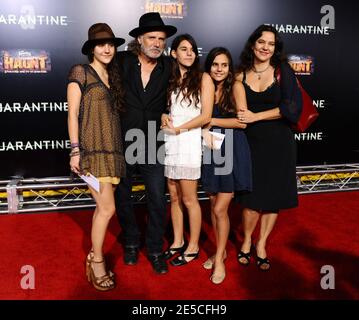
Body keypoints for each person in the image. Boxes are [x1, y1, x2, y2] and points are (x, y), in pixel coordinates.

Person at [114, 12, 177, 274]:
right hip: (124, 139)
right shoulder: (121, 61)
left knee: (157, 199)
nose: (157, 43)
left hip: (154, 142)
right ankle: (130, 242)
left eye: (161, 39)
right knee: (122, 196)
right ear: (139, 39)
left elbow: (188, 93)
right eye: (151, 37)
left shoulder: (170, 67)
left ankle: (153, 248)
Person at [235, 25, 301, 271]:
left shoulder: (283, 71)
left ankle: (261, 244)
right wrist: (249, 117)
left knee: (273, 200)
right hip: (251, 144)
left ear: (276, 48)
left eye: (271, 44)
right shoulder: (240, 75)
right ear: (253, 44)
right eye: (261, 42)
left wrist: (257, 116)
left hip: (279, 144)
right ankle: (245, 242)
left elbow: (292, 109)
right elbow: (242, 113)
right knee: (252, 200)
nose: (265, 47)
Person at [67, 23, 126, 291]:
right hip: (90, 153)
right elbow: (72, 114)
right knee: (107, 208)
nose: (107, 49)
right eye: (101, 44)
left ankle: (93, 255)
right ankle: (97, 260)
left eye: (111, 44)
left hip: (111, 151)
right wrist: (76, 149)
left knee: (103, 209)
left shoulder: (112, 76)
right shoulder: (81, 72)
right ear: (91, 48)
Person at [200, 47, 252, 284]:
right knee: (213, 205)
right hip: (211, 149)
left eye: (224, 65)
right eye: (215, 65)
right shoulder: (206, 86)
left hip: (231, 149)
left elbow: (242, 123)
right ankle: (219, 250)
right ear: (208, 66)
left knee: (221, 209)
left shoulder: (236, 87)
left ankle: (220, 260)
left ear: (230, 68)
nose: (219, 69)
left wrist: (209, 121)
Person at [161, 34, 203, 266]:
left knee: (189, 199)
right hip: (171, 144)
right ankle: (177, 241)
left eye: (192, 49)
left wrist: (179, 129)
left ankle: (193, 245)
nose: (189, 53)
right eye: (183, 49)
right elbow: (166, 110)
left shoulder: (202, 78)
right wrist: (164, 117)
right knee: (174, 197)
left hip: (188, 144)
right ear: (173, 53)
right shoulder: (169, 80)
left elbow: (205, 116)